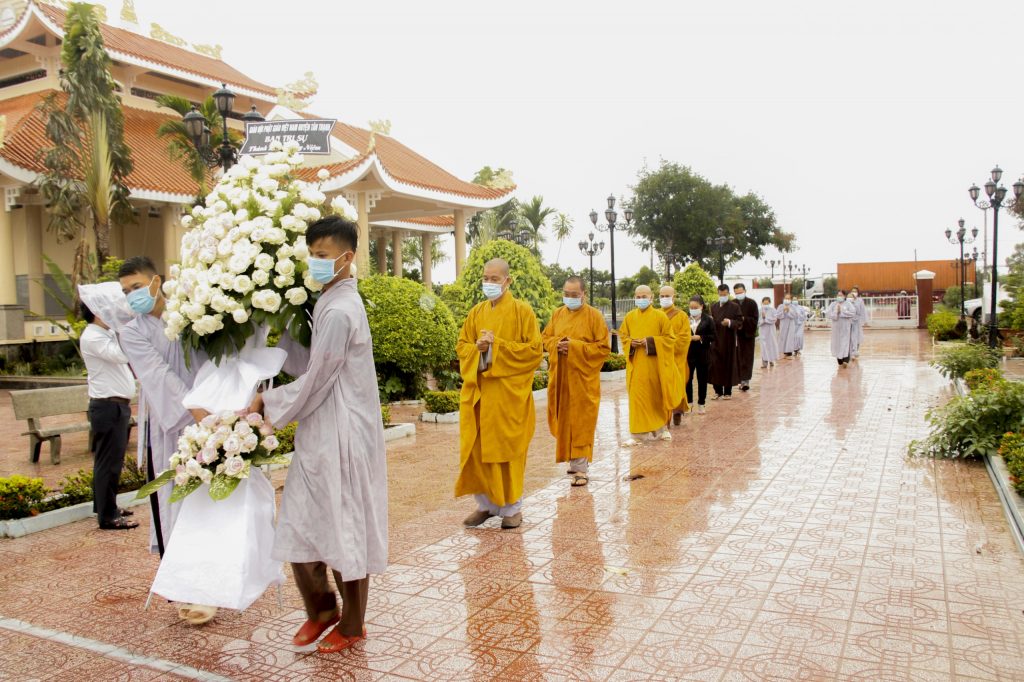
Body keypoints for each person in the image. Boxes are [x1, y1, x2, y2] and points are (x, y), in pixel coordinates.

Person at [250, 216, 388, 654]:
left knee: (343, 523)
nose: (315, 262)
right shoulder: (326, 300)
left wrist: (267, 403)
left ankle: (352, 622)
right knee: (302, 517)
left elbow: (317, 378)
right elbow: (307, 362)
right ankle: (321, 609)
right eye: (311, 254)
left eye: (323, 255)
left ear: (347, 258)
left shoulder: (343, 310)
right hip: (319, 428)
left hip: (343, 431)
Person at [118, 256, 213, 625]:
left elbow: (215, 359)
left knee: (209, 504)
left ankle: (212, 583)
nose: (132, 295)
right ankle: (186, 588)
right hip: (169, 426)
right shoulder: (132, 332)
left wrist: (217, 407)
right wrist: (196, 410)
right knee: (174, 504)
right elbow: (156, 375)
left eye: (137, 286)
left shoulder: (192, 312)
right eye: (126, 291)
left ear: (156, 282)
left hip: (210, 416)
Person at [456, 258, 543, 529]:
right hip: (480, 396)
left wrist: (496, 347)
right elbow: (462, 346)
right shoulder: (476, 312)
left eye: (494, 279)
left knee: (508, 453)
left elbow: (534, 352)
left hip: (508, 397)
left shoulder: (522, 311)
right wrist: (478, 349)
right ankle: (486, 505)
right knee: (479, 451)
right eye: (486, 278)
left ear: (508, 281)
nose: (489, 283)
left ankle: (511, 508)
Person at [542, 276, 610, 487]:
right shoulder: (557, 314)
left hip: (583, 380)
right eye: (566, 294)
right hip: (561, 378)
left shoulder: (594, 316)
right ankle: (573, 460)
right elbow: (545, 338)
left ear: (583, 295)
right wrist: (557, 344)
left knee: (581, 423)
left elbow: (603, 348)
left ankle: (581, 469)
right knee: (564, 421)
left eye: (574, 295)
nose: (569, 298)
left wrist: (574, 347)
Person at [80, 302, 137, 531]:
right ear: (96, 313)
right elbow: (122, 355)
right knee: (108, 463)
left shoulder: (106, 333)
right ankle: (107, 516)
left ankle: (107, 506)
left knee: (112, 461)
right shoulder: (93, 336)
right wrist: (125, 329)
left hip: (115, 406)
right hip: (107, 406)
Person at [619, 285, 682, 445]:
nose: (641, 300)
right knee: (637, 399)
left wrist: (649, 342)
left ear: (651, 298)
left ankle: (661, 430)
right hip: (636, 366)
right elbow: (623, 337)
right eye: (638, 297)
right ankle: (637, 434)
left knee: (656, 397)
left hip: (655, 366)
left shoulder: (660, 316)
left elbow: (670, 339)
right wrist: (631, 343)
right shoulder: (629, 317)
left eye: (644, 297)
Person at [660, 285, 691, 425]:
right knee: (663, 388)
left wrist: (667, 344)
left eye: (667, 296)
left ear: (674, 297)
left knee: (677, 386)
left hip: (677, 359)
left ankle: (677, 411)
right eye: (662, 296)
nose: (664, 298)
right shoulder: (656, 314)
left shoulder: (681, 315)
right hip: (661, 358)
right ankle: (664, 416)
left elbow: (684, 339)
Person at [709, 284, 742, 400]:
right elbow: (711, 321)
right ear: (718, 294)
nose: (723, 296)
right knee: (715, 365)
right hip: (716, 341)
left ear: (728, 294)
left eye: (725, 294)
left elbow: (739, 322)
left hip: (729, 341)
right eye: (721, 294)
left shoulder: (734, 307)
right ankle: (717, 391)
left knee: (728, 365)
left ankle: (728, 392)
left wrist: (730, 323)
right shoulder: (713, 306)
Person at [685, 295, 715, 415]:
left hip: (703, 353)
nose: (693, 309)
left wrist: (701, 337)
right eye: (691, 307)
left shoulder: (708, 319)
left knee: (702, 380)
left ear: (701, 306)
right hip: (688, 354)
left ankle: (701, 403)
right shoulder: (685, 318)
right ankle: (689, 403)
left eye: (695, 307)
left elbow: (713, 336)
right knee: (688, 379)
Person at [732, 282, 759, 391]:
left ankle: (745, 381)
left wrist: (744, 319)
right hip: (736, 336)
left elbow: (755, 320)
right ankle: (739, 379)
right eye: (737, 293)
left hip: (748, 335)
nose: (739, 294)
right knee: (737, 358)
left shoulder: (752, 303)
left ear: (745, 291)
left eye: (741, 292)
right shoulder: (732, 303)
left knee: (747, 358)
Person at [827, 290, 858, 367]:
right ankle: (840, 358)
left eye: (841, 295)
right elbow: (828, 314)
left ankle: (846, 360)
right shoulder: (833, 304)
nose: (839, 297)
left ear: (844, 296)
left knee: (845, 342)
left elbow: (853, 313)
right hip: (836, 328)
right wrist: (836, 312)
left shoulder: (848, 304)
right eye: (838, 295)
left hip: (845, 327)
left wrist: (842, 311)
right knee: (838, 343)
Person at [758, 296, 781, 368]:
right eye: (764, 303)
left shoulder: (773, 310)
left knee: (771, 345)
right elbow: (758, 321)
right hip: (762, 331)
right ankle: (764, 363)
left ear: (769, 303)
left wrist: (765, 318)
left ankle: (771, 361)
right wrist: (763, 319)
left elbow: (774, 319)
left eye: (767, 303)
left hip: (771, 331)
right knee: (763, 346)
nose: (766, 305)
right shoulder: (760, 310)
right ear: (762, 303)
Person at [849, 286, 868, 360]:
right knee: (851, 337)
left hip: (857, 321)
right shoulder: (848, 300)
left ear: (858, 292)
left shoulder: (860, 300)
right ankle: (851, 352)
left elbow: (863, 310)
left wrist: (865, 321)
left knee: (857, 336)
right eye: (853, 291)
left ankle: (856, 351)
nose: (854, 292)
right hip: (850, 320)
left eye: (855, 291)